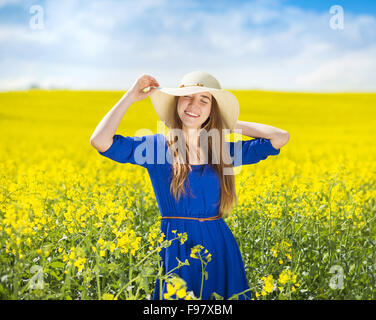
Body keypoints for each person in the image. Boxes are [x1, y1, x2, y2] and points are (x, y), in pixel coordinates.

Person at [90, 71, 290, 300]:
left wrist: (227, 123)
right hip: (177, 248)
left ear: (212, 110)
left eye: (204, 101)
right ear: (177, 102)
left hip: (219, 245)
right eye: (187, 97)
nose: (194, 105)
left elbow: (279, 137)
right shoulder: (156, 148)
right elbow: (100, 141)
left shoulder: (223, 151)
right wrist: (130, 96)